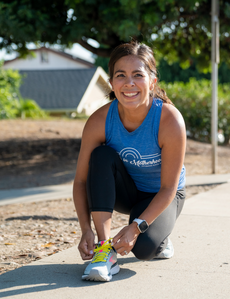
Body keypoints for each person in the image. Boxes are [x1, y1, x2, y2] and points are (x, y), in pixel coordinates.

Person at [73, 40, 186, 282]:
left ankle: (160, 235)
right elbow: (81, 181)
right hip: (127, 191)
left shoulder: (169, 121)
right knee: (101, 156)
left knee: (145, 250)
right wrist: (85, 230)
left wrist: (135, 228)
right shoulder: (99, 120)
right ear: (111, 83)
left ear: (152, 81)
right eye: (121, 75)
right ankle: (104, 251)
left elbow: (168, 188)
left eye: (138, 75)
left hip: (163, 195)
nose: (129, 83)